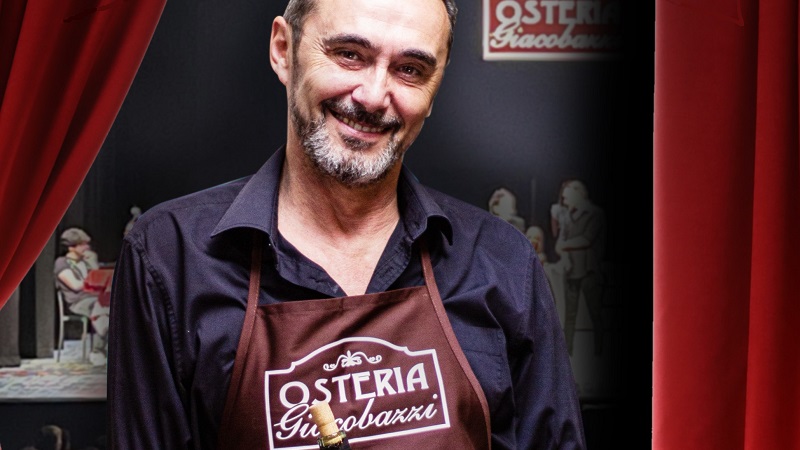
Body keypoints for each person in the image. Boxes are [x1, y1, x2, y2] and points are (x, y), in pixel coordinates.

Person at [108, 0, 585, 448]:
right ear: (284, 51)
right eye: (349, 55)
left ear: (434, 88)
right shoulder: (171, 257)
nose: (374, 97)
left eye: (410, 69)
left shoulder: (500, 260)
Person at [550, 180, 606, 356]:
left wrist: (564, 246)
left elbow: (586, 239)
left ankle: (600, 351)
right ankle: (567, 355)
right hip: (572, 270)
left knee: (595, 313)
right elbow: (560, 239)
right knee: (569, 315)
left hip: (589, 270)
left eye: (566, 196)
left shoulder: (595, 213)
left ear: (578, 194)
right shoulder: (566, 215)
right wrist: (563, 249)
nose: (563, 200)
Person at [53, 228, 109, 366]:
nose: (87, 247)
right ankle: (97, 351)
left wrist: (93, 264)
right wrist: (91, 280)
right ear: (72, 247)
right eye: (82, 244)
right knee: (102, 308)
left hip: (95, 298)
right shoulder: (62, 263)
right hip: (77, 302)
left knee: (113, 305)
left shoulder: (86, 262)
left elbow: (99, 281)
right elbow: (76, 285)